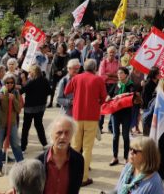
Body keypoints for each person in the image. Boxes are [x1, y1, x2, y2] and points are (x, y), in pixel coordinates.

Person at [64, 58, 107, 186]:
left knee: (75, 146)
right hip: (92, 117)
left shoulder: (76, 78)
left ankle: (72, 175)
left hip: (77, 115)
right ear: (94, 68)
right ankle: (83, 177)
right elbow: (104, 98)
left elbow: (66, 92)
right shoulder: (98, 79)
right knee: (87, 148)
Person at [36, 115, 84, 194]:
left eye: (67, 133)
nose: (63, 137)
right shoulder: (38, 162)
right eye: (59, 132)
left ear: (72, 135)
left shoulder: (78, 160)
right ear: (51, 134)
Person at [0, 73, 24, 176]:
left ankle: (21, 166)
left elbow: (18, 109)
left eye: (12, 82)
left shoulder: (16, 93)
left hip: (12, 123)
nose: (9, 84)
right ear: (4, 83)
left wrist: (14, 100)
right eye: (7, 82)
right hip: (0, 124)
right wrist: (0, 99)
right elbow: (1, 109)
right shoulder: (0, 93)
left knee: (15, 144)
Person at [20, 65, 50, 152]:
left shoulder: (31, 81)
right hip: (41, 106)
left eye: (29, 72)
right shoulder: (45, 80)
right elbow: (49, 91)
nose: (29, 74)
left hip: (30, 107)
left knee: (26, 127)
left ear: (33, 72)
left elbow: (22, 90)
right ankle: (44, 143)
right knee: (39, 125)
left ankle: (23, 147)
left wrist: (23, 81)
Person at [110, 67, 135, 166]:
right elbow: (109, 94)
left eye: (121, 73)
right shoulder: (116, 84)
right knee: (115, 135)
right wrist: (108, 98)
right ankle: (115, 157)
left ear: (126, 74)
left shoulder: (130, 84)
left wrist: (120, 96)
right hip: (115, 112)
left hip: (126, 113)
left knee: (125, 136)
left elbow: (131, 94)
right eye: (118, 73)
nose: (119, 75)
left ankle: (126, 157)